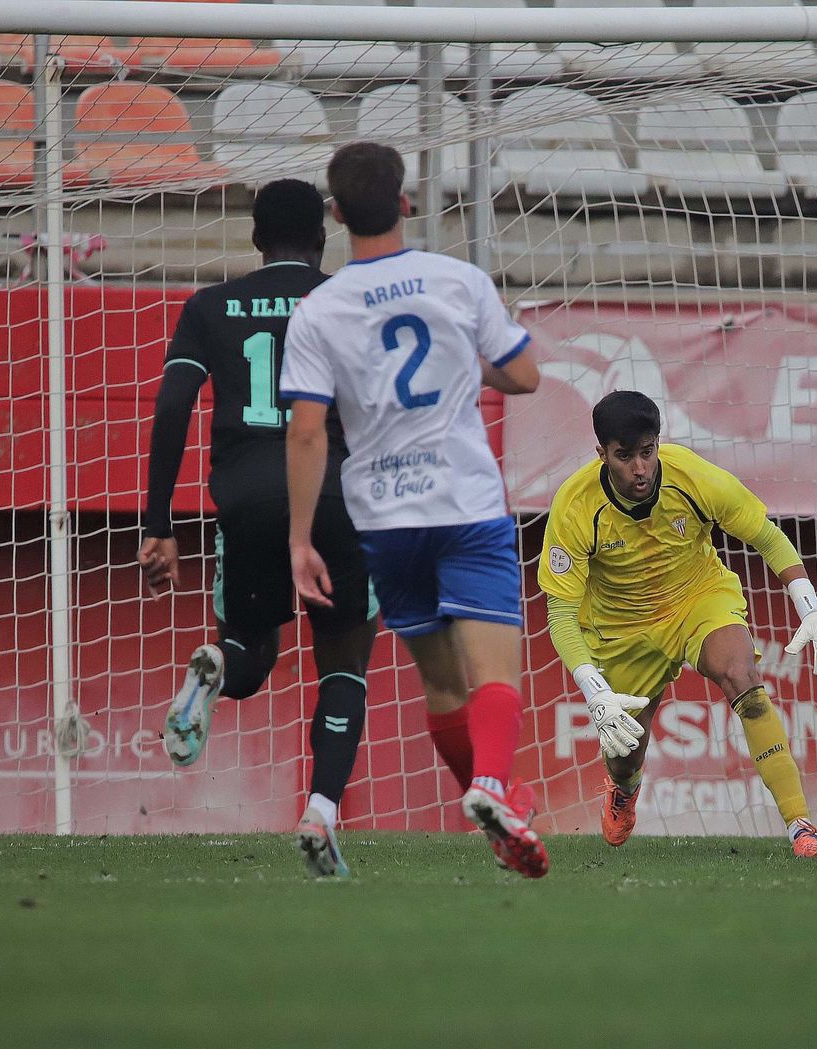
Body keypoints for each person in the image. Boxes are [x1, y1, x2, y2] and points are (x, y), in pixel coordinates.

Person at [279, 141, 548, 879]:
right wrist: (465, 363)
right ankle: (491, 786)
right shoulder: (458, 281)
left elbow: (306, 432)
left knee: (442, 684)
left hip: (384, 519)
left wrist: (300, 539)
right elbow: (525, 375)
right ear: (405, 203)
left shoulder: (319, 309)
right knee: (495, 674)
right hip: (464, 502)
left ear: (337, 214)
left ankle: (494, 808)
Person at [138, 178, 377, 879]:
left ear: (255, 238)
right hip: (333, 492)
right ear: (324, 237)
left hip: (245, 495)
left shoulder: (209, 306)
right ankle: (320, 813)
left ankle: (216, 666)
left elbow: (173, 404)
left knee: (248, 657)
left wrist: (159, 523)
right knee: (343, 662)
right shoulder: (351, 302)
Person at [538, 390, 817, 858]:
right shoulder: (575, 506)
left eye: (647, 452)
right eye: (624, 457)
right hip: (622, 629)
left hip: (696, 598)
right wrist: (594, 689)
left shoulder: (693, 477)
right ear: (601, 454)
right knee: (624, 755)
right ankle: (623, 791)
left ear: (658, 443)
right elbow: (561, 613)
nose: (640, 469)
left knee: (743, 678)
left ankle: (801, 828)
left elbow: (767, 537)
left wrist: (812, 609)